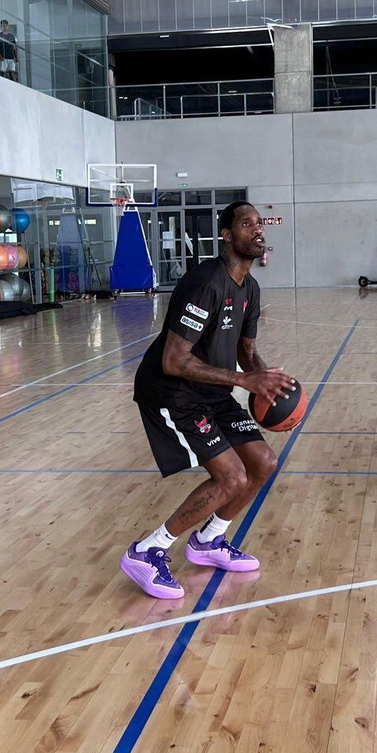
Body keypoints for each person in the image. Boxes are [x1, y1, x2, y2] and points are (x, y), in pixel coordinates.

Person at [121, 201, 297, 600]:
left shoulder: (249, 287)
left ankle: (209, 540)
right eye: (246, 223)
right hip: (171, 390)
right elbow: (174, 360)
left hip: (211, 390)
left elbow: (248, 353)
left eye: (259, 223)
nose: (257, 229)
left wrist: (273, 390)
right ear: (227, 235)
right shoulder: (206, 283)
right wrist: (244, 380)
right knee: (231, 476)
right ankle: (148, 550)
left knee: (263, 463)